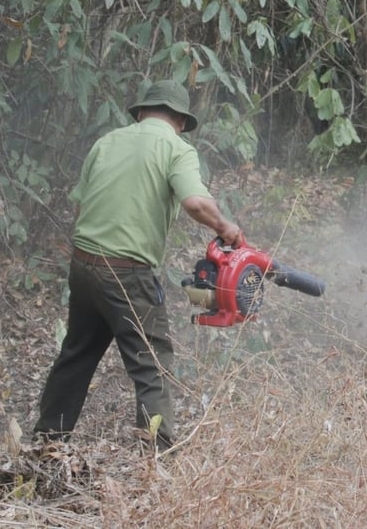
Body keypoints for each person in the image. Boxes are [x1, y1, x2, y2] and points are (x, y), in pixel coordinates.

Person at [33, 80, 243, 453]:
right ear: (180, 119)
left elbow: (80, 207)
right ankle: (155, 460)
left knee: (76, 355)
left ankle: (45, 444)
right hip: (128, 273)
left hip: (83, 265)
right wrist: (225, 226)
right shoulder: (177, 148)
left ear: (142, 111)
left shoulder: (107, 142)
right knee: (152, 366)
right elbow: (195, 203)